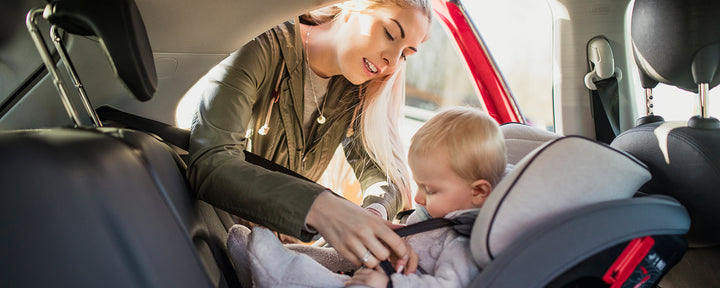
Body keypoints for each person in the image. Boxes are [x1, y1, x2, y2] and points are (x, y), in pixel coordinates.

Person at [185, 0, 432, 270]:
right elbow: (211, 162)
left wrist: (373, 214)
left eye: (406, 53)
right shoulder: (262, 46)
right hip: (215, 238)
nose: (393, 61)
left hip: (273, 251)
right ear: (352, 7)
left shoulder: (357, 88)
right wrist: (321, 208)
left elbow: (384, 174)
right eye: (389, 33)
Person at [227, 107, 508, 288]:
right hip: (378, 267)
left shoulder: (464, 242)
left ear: (479, 192)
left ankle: (272, 270)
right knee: (332, 256)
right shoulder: (438, 215)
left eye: (431, 190)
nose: (419, 198)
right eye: (419, 185)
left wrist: (388, 284)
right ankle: (264, 259)